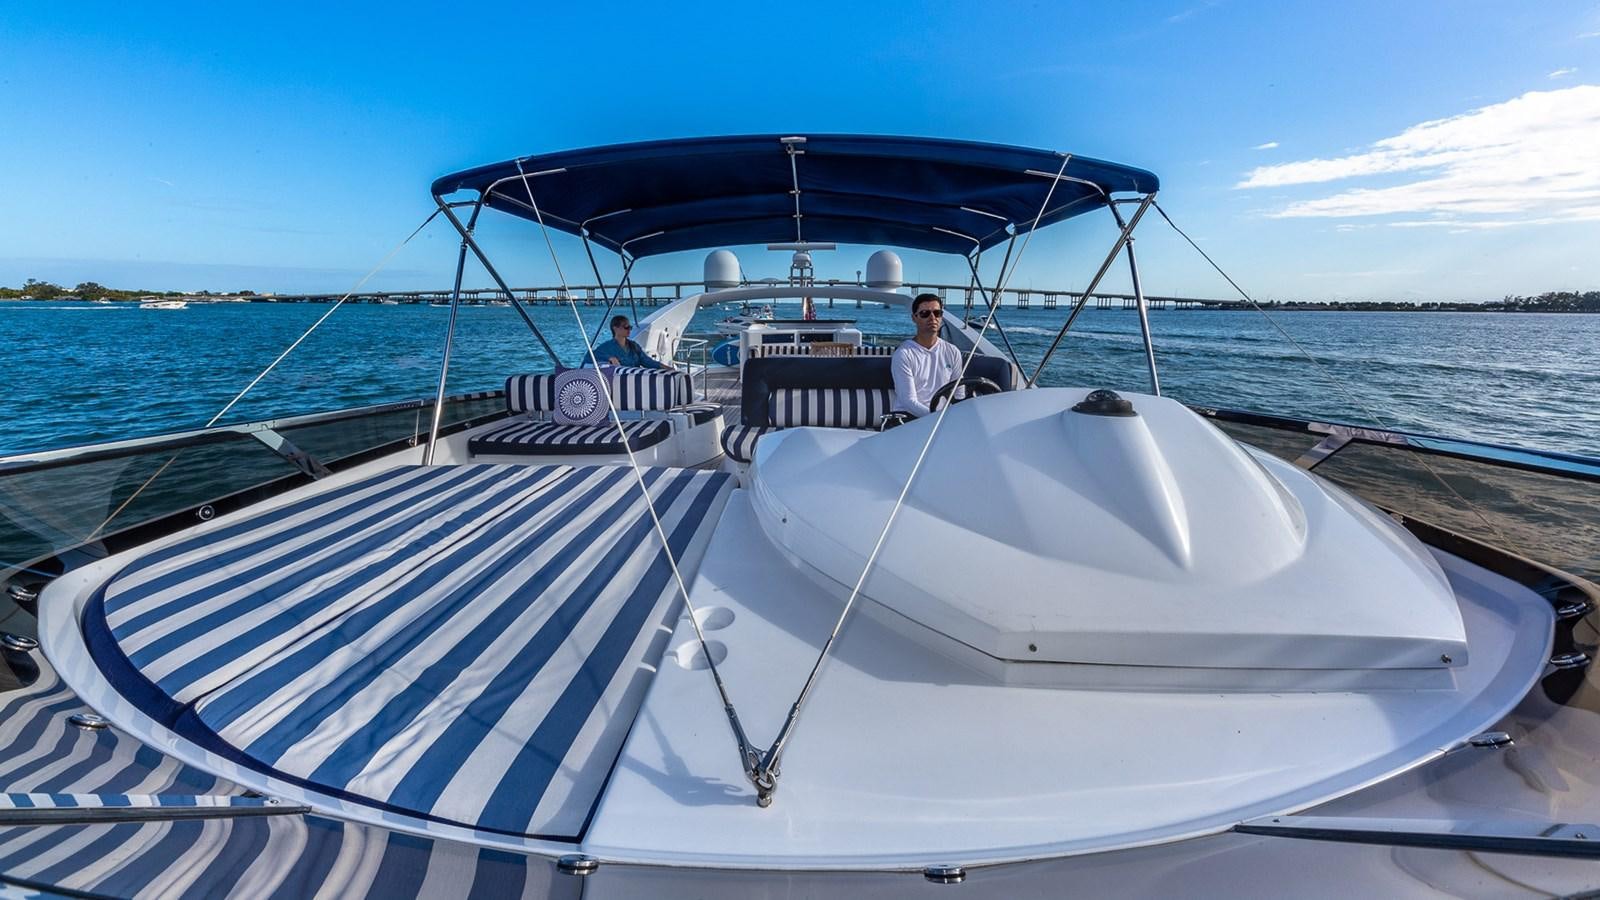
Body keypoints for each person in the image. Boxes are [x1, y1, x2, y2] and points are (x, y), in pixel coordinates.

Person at [891, 293, 964, 417]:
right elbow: (908, 401)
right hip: (908, 418)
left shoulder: (952, 351)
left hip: (940, 419)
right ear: (914, 318)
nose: (932, 318)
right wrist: (935, 418)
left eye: (937, 313)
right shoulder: (904, 354)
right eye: (925, 313)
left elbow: (959, 393)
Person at [592, 315, 665, 369]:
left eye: (630, 327)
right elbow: (589, 357)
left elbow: (647, 362)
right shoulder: (606, 347)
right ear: (615, 328)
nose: (629, 330)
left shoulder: (634, 346)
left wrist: (666, 368)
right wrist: (609, 358)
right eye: (626, 327)